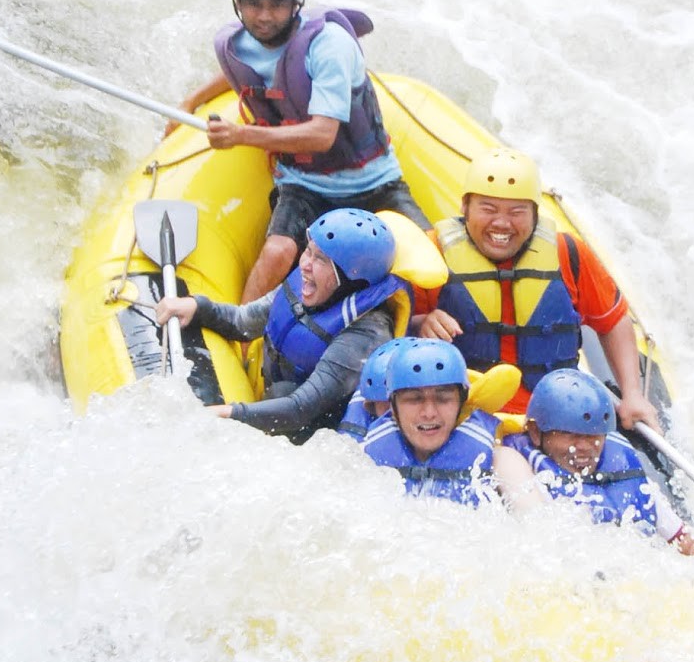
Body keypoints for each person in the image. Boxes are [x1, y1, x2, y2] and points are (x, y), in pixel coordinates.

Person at [180, 0, 428, 301]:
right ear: (237, 4)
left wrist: (241, 136)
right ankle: (241, 338)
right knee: (277, 252)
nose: (264, 17)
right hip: (302, 184)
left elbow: (322, 135)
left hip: (375, 182)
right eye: (253, 5)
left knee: (428, 248)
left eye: (277, 6)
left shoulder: (330, 45)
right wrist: (191, 100)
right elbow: (244, 67)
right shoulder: (238, 43)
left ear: (296, 5)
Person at [410, 148, 660, 432]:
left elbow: (613, 322)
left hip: (555, 413)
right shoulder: (432, 251)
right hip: (466, 413)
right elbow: (396, 331)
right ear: (465, 207)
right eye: (488, 209)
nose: (502, 223)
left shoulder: (568, 253)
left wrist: (633, 395)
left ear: (535, 215)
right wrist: (421, 324)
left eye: (517, 212)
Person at [155, 208, 413, 440]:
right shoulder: (307, 285)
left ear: (350, 280)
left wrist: (227, 414)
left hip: (319, 427)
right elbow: (242, 322)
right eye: (308, 251)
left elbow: (300, 409)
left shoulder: (365, 333)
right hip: (284, 397)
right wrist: (199, 307)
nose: (305, 265)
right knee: (280, 390)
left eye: (321, 259)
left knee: (282, 392)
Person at [492, 368, 694, 553]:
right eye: (570, 434)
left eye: (594, 437)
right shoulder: (516, 465)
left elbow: (687, 545)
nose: (584, 447)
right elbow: (540, 542)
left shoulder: (623, 467)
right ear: (536, 432)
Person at [362, 341, 499, 507]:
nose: (429, 413)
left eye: (443, 399)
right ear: (392, 407)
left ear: (460, 404)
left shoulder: (499, 461)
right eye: (414, 399)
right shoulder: (363, 461)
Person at [337, 335, 423, 442]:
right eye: (390, 406)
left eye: (411, 401)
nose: (399, 413)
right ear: (370, 404)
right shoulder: (354, 444)